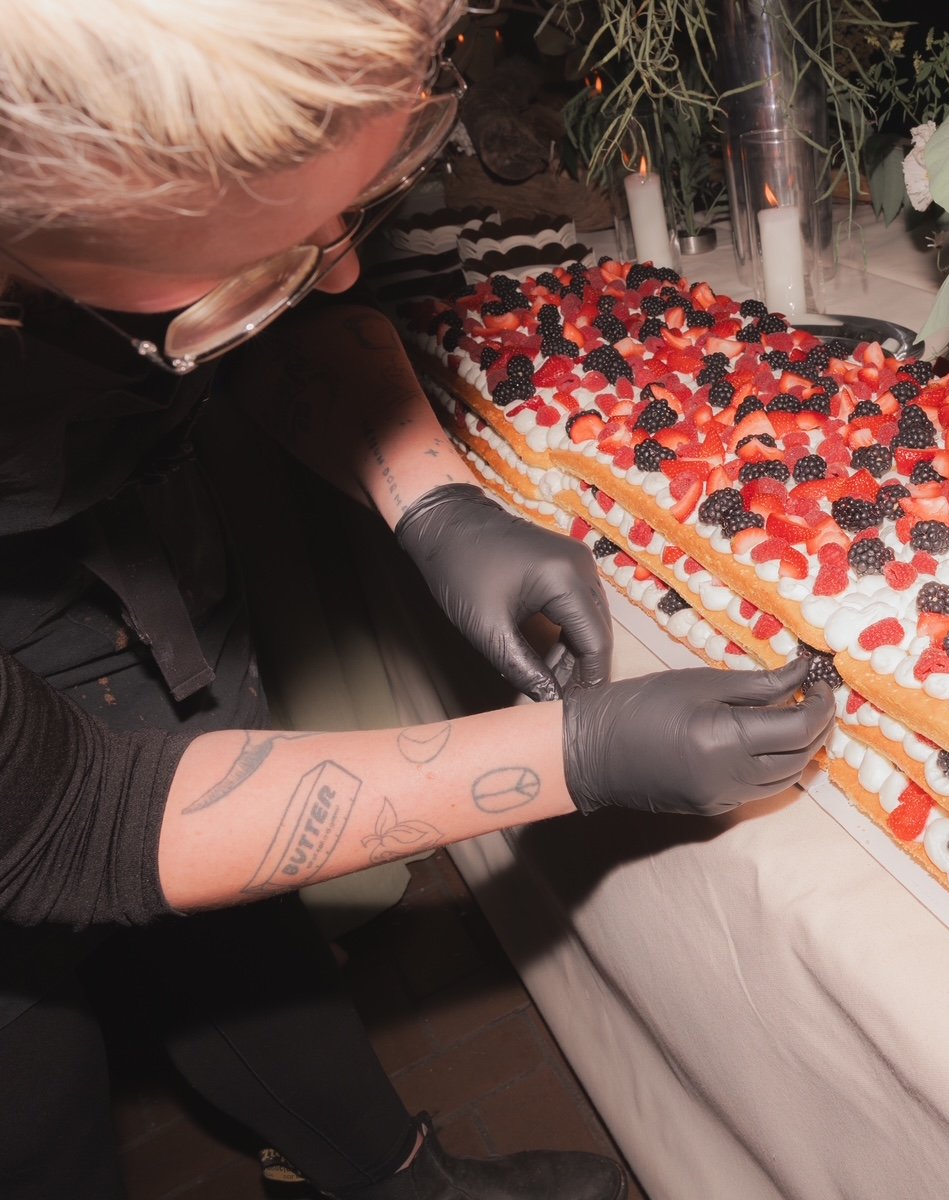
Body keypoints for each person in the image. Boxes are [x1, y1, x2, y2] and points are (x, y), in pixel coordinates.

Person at [0, 1, 835, 1198]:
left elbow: (307, 305)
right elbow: (65, 825)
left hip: (110, 546)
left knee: (240, 933)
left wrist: (434, 501)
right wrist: (569, 754)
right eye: (255, 257)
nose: (345, 261)